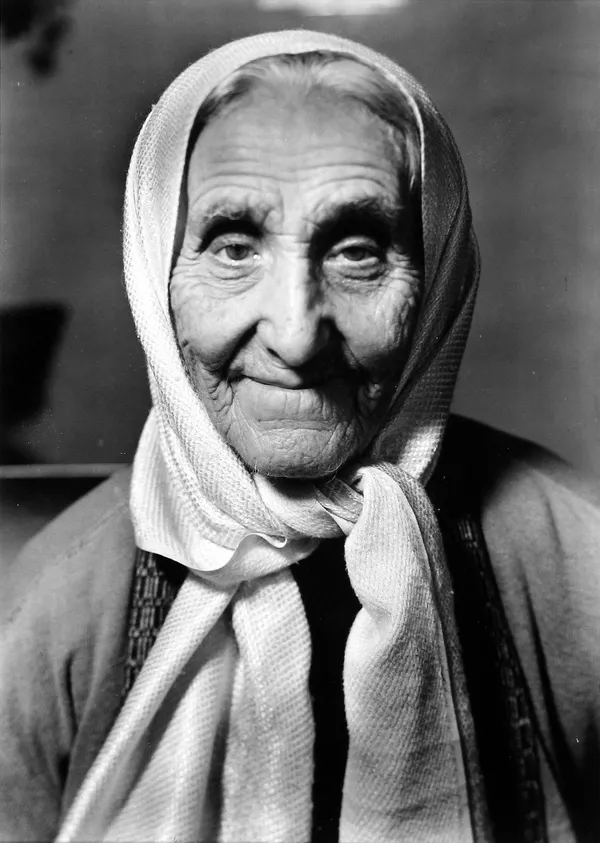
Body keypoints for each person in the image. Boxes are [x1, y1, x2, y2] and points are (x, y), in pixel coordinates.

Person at [1, 30, 599, 843]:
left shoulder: (581, 564)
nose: (296, 333)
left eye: (357, 250)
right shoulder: (45, 611)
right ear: (153, 273)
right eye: (234, 246)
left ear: (441, 275)